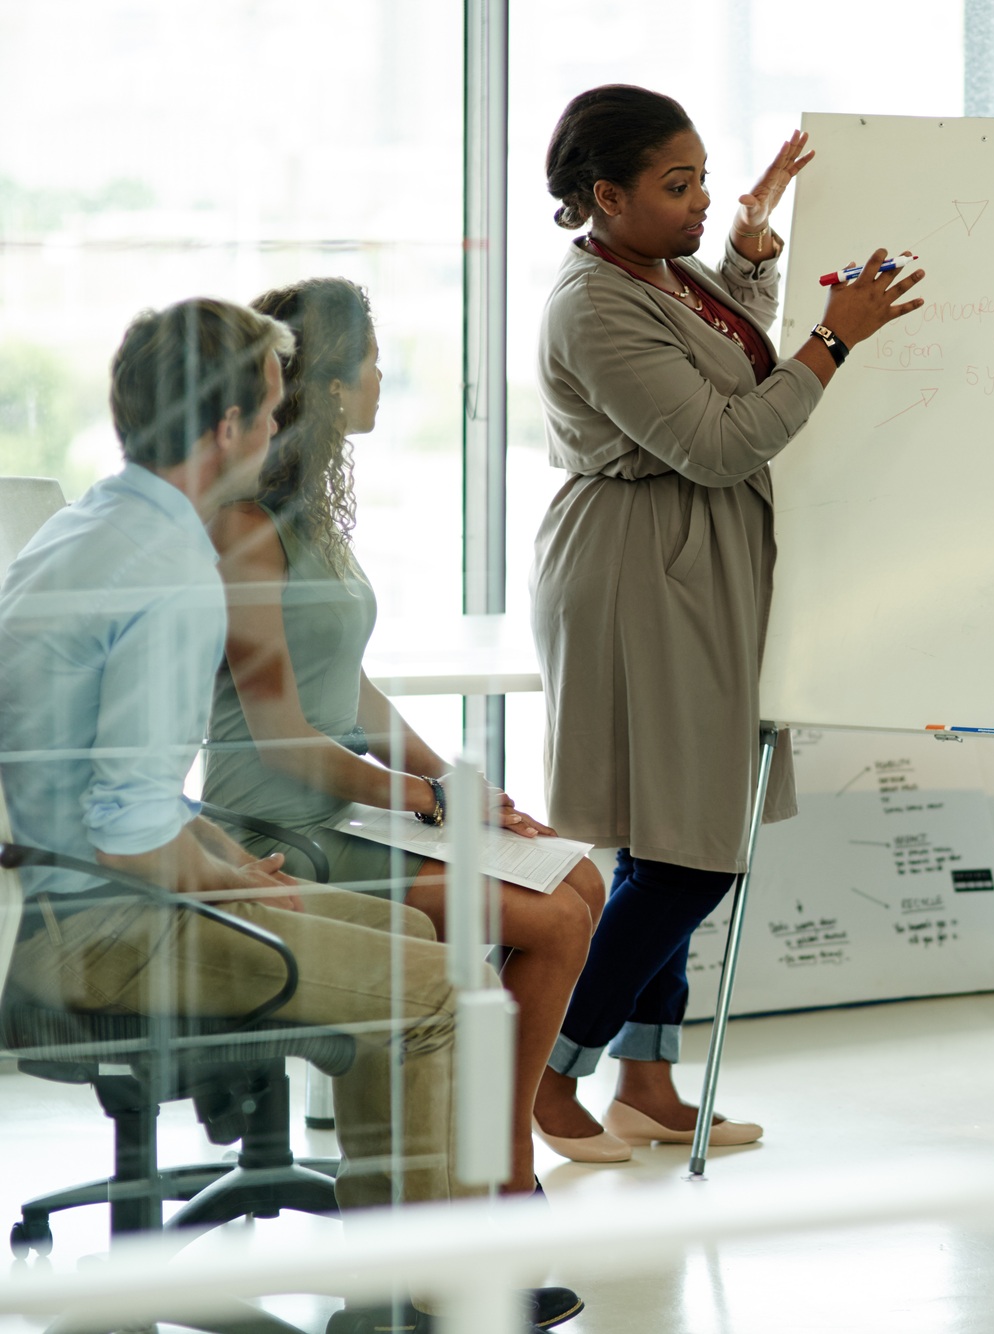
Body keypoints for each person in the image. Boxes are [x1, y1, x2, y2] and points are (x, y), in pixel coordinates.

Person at [0, 299, 583, 1330]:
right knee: (429, 986)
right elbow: (126, 832)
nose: (277, 432)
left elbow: (119, 790)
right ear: (226, 428)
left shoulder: (95, 523)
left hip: (65, 892)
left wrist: (223, 855)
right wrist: (228, 870)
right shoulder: (173, 569)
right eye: (268, 412)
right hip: (91, 929)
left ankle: (405, 1269)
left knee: (408, 934)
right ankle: (432, 1297)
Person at [527, 85, 927, 1160]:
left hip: (693, 563)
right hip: (639, 572)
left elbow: (726, 356)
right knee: (693, 849)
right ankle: (550, 1068)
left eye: (702, 176)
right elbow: (716, 439)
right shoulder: (592, 303)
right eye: (678, 185)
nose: (702, 199)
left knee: (677, 831)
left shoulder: (660, 270)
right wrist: (831, 343)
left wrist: (748, 257)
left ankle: (645, 1081)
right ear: (604, 197)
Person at [202, 277, 605, 1195]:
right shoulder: (246, 527)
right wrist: (428, 801)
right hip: (279, 828)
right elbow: (283, 739)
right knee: (553, 918)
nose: (384, 379)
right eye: (373, 363)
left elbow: (353, 689)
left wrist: (456, 784)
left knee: (582, 879)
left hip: (347, 810)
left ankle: (487, 1146)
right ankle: (503, 1168)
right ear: (333, 390)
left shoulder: (311, 520)